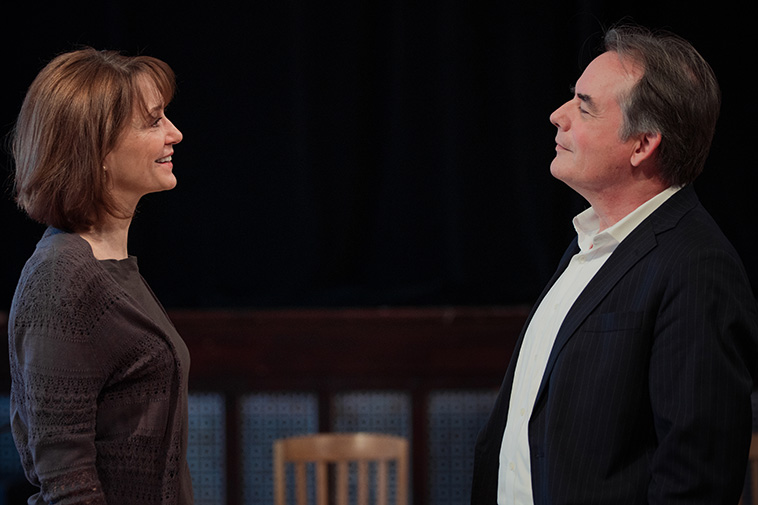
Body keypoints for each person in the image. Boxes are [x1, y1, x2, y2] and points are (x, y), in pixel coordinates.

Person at [471, 24, 758, 504]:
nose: (558, 115)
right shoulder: (589, 241)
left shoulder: (698, 268)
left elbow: (696, 483)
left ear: (642, 143)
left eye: (584, 106)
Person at [7, 48, 193, 504]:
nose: (175, 133)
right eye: (153, 121)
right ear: (97, 149)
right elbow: (67, 483)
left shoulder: (110, 266)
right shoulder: (60, 277)